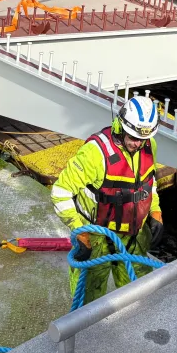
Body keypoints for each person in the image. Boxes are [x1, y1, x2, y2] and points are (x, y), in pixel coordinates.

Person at [51, 96, 165, 306]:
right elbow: (60, 192)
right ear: (121, 125)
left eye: (142, 139)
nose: (137, 144)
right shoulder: (94, 153)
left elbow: (149, 183)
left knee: (139, 293)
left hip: (133, 235)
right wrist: (80, 231)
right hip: (95, 236)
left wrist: (155, 212)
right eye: (132, 137)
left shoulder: (149, 146)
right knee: (88, 298)